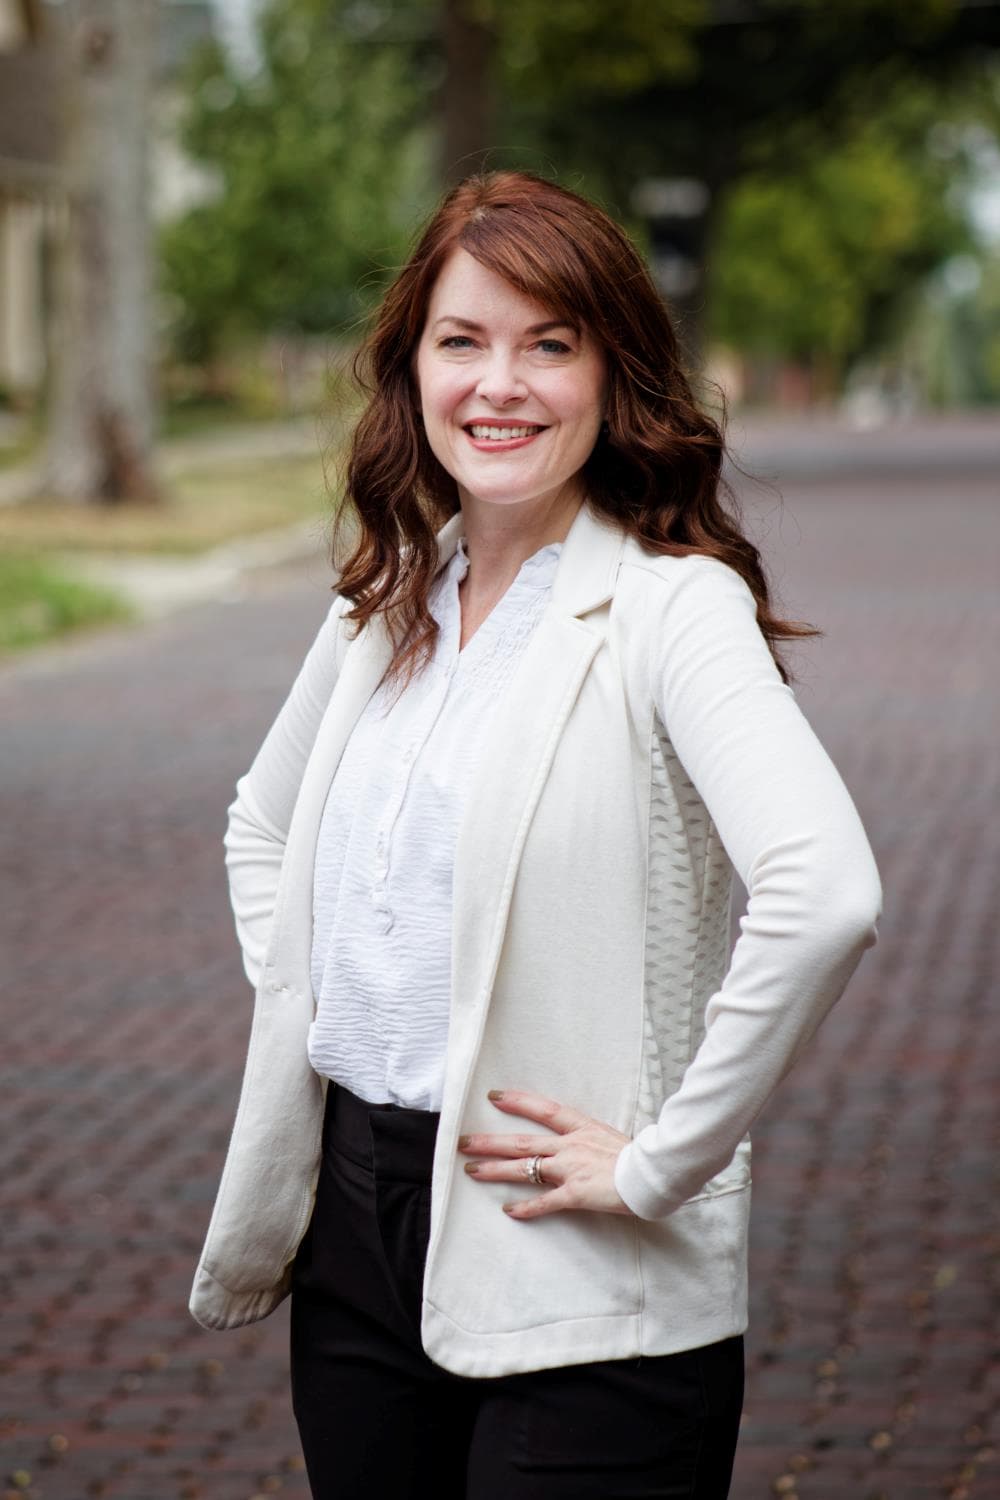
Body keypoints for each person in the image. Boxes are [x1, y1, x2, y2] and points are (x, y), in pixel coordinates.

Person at [189, 169, 882, 1498]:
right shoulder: (386, 603)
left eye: (547, 345)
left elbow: (826, 892)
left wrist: (668, 1157)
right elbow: (258, 826)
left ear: (613, 374)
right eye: (463, 342)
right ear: (414, 371)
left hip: (576, 1254)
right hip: (354, 1232)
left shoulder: (673, 611)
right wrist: (322, 1006)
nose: (498, 384)